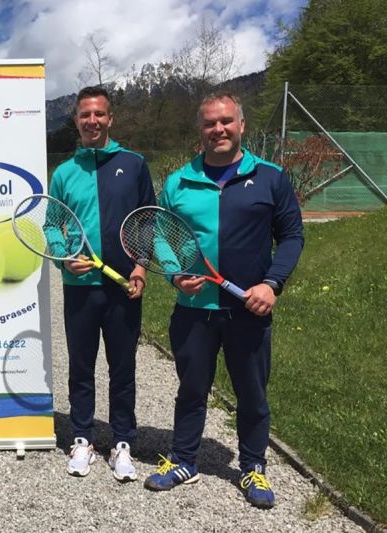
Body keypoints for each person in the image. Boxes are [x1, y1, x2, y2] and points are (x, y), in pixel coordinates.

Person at [144, 92, 304, 509]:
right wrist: (175, 273)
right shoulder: (179, 182)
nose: (219, 129)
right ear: (200, 130)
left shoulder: (270, 177)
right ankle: (183, 460)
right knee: (191, 389)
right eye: (210, 123)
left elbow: (291, 236)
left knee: (252, 394)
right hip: (194, 312)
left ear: (241, 125)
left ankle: (253, 466)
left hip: (247, 311)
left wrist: (272, 284)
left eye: (226, 121)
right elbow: (160, 234)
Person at [50, 86, 155, 480]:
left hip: (123, 287)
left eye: (99, 114)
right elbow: (51, 224)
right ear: (76, 120)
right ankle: (82, 438)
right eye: (85, 115)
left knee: (122, 368)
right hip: (79, 289)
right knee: (80, 367)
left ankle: (122, 443)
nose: (92, 121)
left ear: (110, 118)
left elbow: (147, 220)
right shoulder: (64, 173)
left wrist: (141, 266)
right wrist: (63, 255)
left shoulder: (135, 164)